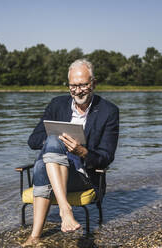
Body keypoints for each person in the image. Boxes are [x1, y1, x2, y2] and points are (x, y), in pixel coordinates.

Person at [22, 59, 119, 246]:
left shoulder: (109, 111)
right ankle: (62, 212)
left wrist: (82, 151)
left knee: (42, 164)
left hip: (82, 177)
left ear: (94, 83)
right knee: (49, 148)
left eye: (83, 85)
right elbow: (32, 140)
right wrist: (56, 144)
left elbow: (107, 156)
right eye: (73, 85)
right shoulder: (57, 105)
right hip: (52, 171)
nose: (78, 90)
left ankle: (35, 236)